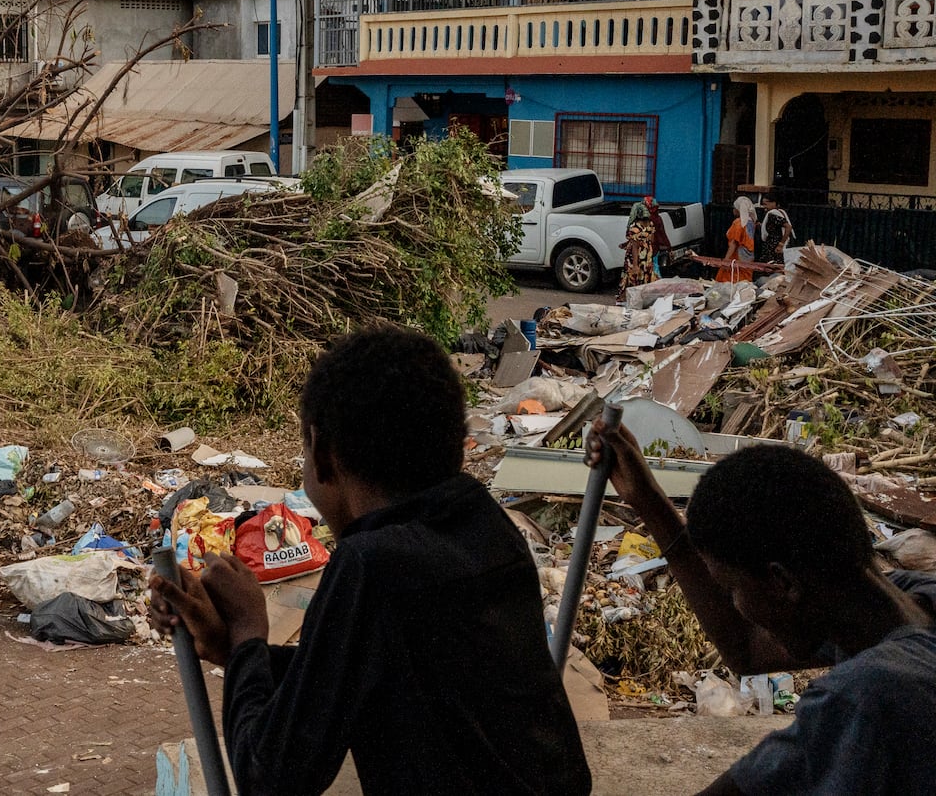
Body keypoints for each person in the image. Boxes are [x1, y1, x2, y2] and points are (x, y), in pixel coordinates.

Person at [149, 325, 591, 795]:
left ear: (320, 453)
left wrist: (246, 634)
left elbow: (268, 775)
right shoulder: (484, 526)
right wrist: (234, 650)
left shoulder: (371, 566)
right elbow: (354, 673)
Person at [586, 426, 936, 795]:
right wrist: (647, 499)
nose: (736, 605)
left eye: (732, 589)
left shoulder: (862, 698)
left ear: (782, 583)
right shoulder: (903, 603)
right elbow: (748, 649)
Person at [620, 200, 656, 296]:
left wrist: (635, 265)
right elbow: (652, 240)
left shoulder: (634, 228)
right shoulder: (650, 224)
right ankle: (644, 297)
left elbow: (635, 248)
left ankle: (631, 297)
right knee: (646, 275)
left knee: (632, 276)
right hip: (647, 255)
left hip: (635, 257)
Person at [719, 196, 757, 282]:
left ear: (738, 209)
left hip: (737, 256)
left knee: (732, 279)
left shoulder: (738, 223)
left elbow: (734, 243)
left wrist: (726, 259)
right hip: (748, 257)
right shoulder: (751, 222)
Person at [757, 192, 793, 265]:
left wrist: (781, 244)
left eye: (765, 204)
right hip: (774, 247)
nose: (764, 206)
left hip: (774, 248)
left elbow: (788, 227)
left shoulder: (773, 215)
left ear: (774, 203)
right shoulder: (780, 213)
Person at [645, 196, 672, 275]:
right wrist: (668, 246)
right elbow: (662, 233)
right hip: (655, 247)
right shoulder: (658, 218)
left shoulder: (644, 218)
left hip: (647, 247)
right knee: (655, 266)